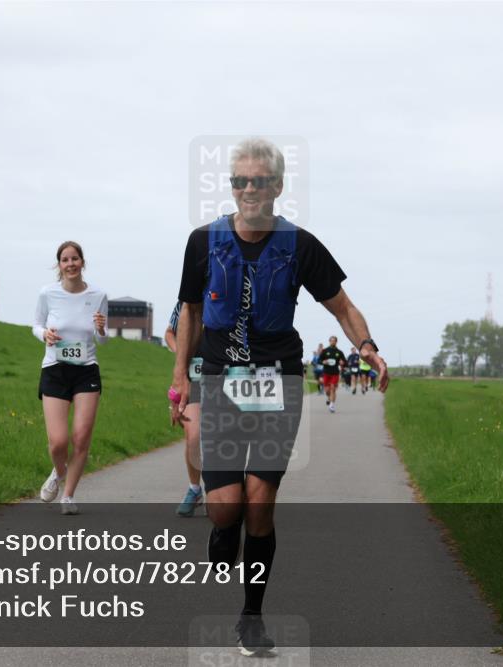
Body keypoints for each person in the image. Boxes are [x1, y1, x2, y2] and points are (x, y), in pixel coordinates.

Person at [171, 138, 388, 657]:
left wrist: (367, 346)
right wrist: (180, 378)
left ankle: (251, 618)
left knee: (260, 501)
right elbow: (190, 314)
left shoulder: (300, 246)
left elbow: (343, 306)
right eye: (240, 181)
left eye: (259, 181)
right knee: (226, 509)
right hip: (221, 379)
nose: (249, 189)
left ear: (278, 186)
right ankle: (222, 532)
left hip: (278, 382)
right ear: (231, 187)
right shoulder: (203, 242)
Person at [34, 241, 108, 516]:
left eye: (75, 258)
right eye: (65, 260)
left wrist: (101, 329)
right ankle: (58, 471)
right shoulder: (47, 293)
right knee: (58, 442)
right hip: (55, 368)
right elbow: (36, 324)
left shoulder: (98, 295)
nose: (70, 264)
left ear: (82, 262)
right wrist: (44, 335)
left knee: (81, 437)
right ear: (59, 265)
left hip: (86, 369)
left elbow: (103, 340)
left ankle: (68, 495)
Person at [165, 301, 205, 517]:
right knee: (193, 436)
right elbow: (169, 333)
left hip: (225, 377)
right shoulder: (187, 301)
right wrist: (181, 352)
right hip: (193, 378)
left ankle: (222, 490)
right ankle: (194, 489)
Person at [319, 336, 346, 413]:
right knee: (327, 390)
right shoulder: (325, 351)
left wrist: (342, 363)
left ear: (336, 342)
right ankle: (328, 397)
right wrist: (323, 362)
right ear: (329, 341)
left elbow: (345, 362)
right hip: (326, 372)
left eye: (334, 341)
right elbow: (319, 360)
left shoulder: (339, 352)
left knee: (333, 388)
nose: (332, 342)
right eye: (331, 341)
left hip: (335, 373)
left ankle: (332, 405)